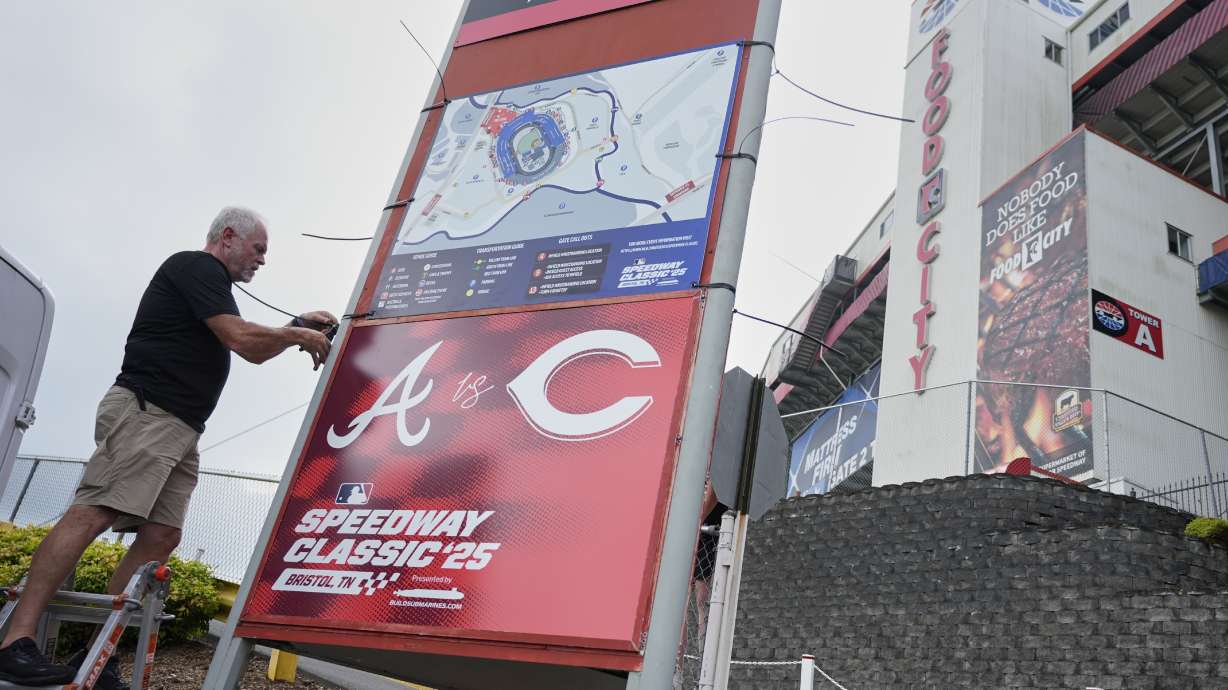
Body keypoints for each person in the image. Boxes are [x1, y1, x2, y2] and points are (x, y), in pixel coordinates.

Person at [0, 207, 336, 688]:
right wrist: (295, 331)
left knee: (161, 536)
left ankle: (96, 654)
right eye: (258, 249)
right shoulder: (196, 267)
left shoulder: (213, 287)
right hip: (148, 411)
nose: (262, 260)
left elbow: (257, 351)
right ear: (227, 237)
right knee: (93, 512)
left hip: (179, 427)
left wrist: (296, 326)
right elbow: (240, 339)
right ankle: (16, 641)